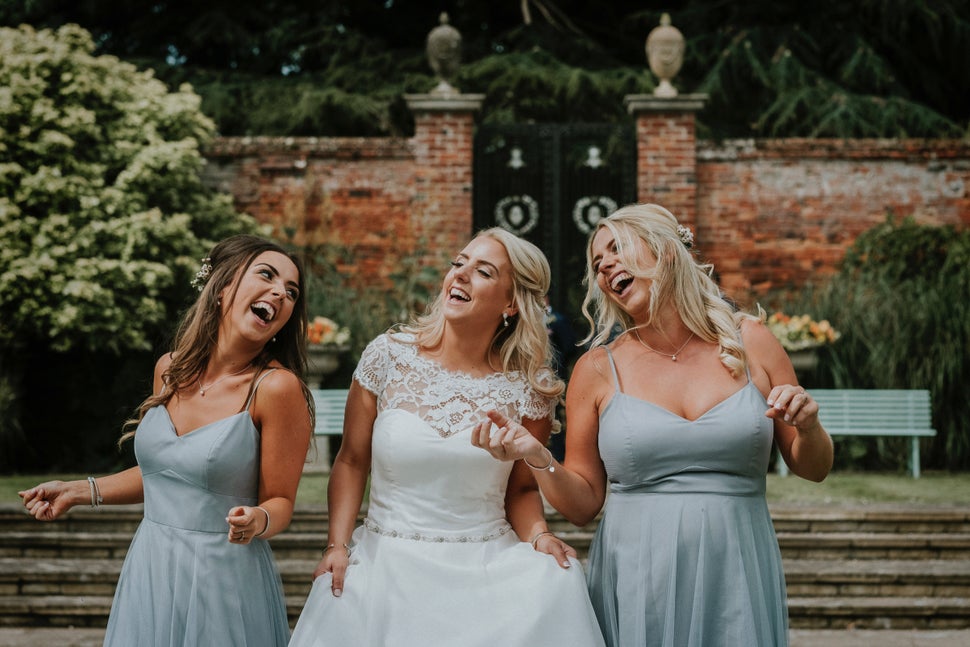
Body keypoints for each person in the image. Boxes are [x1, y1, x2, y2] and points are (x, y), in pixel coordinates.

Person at [472, 204, 834, 647]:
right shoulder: (597, 368)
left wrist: (810, 426)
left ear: (664, 250)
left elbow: (812, 467)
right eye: (596, 263)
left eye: (616, 248)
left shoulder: (751, 340)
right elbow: (583, 506)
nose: (604, 265)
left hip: (736, 562)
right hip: (638, 573)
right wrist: (538, 456)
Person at [288, 227, 606, 647]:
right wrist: (337, 545)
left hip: (485, 565)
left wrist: (540, 535)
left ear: (511, 303)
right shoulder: (388, 355)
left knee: (558, 584)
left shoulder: (530, 388)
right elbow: (350, 460)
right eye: (459, 263)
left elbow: (521, 491)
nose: (460, 275)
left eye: (483, 272)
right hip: (386, 560)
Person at [19, 235, 314, 647]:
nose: (281, 292)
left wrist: (257, 520)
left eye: (292, 292)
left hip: (222, 576)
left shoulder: (277, 388)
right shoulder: (169, 369)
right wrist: (78, 490)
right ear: (223, 287)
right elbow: (166, 473)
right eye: (266, 274)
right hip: (151, 567)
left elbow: (280, 501)